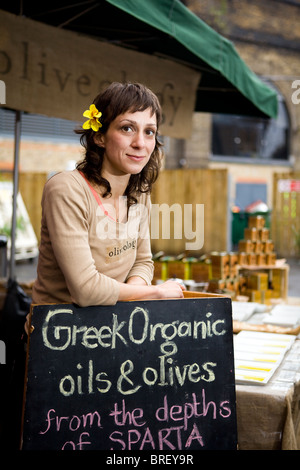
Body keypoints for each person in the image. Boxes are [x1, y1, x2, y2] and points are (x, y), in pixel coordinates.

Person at [32, 82, 185, 307]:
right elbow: (85, 290)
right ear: (99, 136)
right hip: (58, 334)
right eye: (127, 128)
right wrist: (155, 293)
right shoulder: (68, 189)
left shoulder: (138, 194)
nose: (140, 143)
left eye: (149, 132)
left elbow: (142, 262)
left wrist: (131, 297)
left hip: (110, 331)